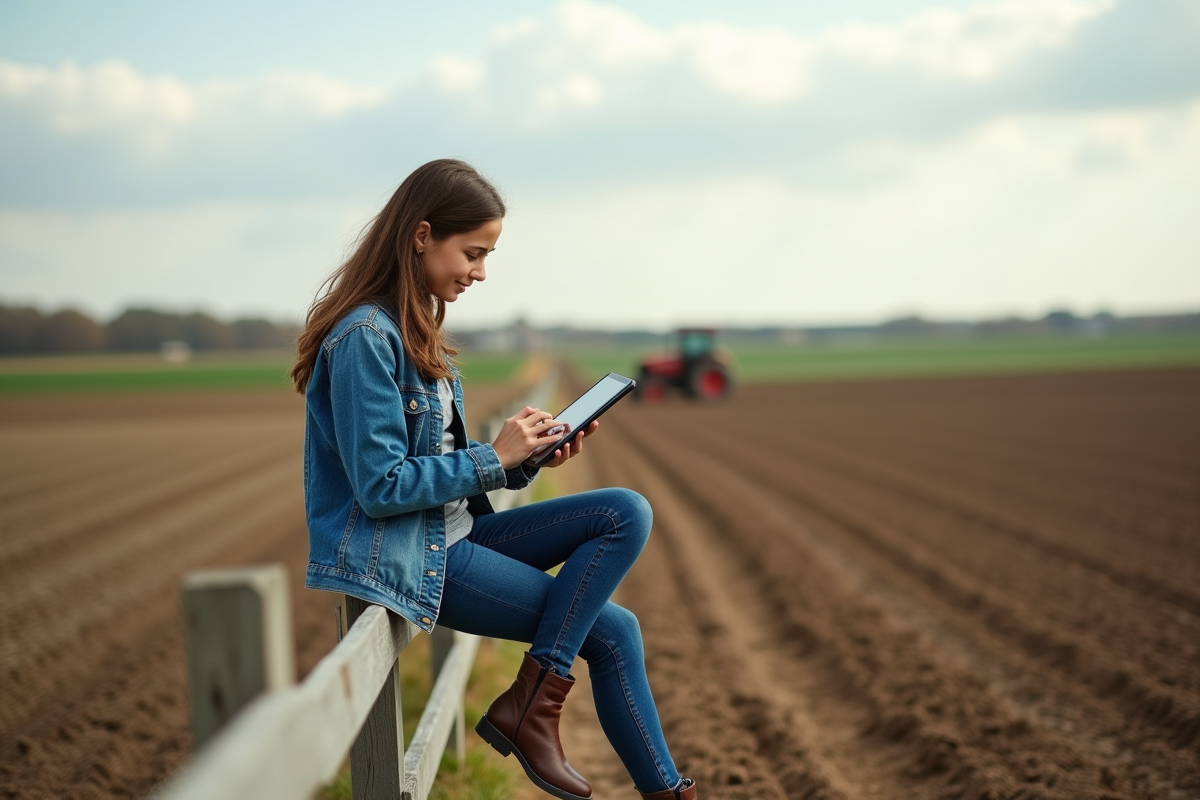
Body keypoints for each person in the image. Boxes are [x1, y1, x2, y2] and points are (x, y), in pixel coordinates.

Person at [291, 159, 698, 800]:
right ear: (421, 235)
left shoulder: (412, 326)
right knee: (616, 634)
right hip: (420, 557)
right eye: (473, 253)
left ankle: (531, 701)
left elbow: (436, 460)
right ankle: (546, 718)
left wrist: (526, 457)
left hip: (455, 534)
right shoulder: (366, 338)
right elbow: (382, 486)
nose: (480, 273)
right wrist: (495, 458)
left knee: (625, 510)